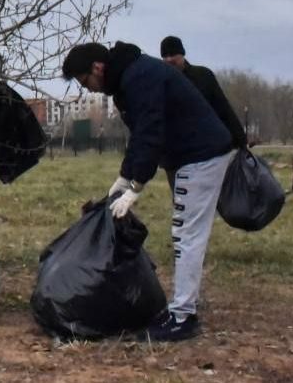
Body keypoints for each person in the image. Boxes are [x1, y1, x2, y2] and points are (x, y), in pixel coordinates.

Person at [63, 41, 234, 342]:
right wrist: (124, 177)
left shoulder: (139, 77)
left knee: (187, 234)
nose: (87, 89)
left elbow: (151, 130)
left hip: (201, 155)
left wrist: (136, 187)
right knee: (185, 232)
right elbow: (139, 136)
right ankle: (182, 308)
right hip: (190, 155)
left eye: (85, 81)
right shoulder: (129, 78)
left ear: (97, 68)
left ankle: (183, 318)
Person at [160, 36, 247, 148]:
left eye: (173, 55)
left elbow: (223, 109)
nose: (169, 59)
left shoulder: (203, 76)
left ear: (182, 54)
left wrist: (240, 140)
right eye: (165, 56)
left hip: (209, 144)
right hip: (179, 149)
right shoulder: (161, 83)